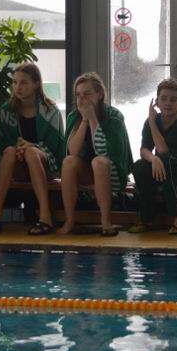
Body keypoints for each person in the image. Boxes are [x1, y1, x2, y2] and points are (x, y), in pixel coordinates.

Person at [0, 63, 66, 235]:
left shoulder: (50, 110)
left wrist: (32, 146)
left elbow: (56, 146)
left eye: (23, 83)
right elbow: (2, 143)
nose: (18, 87)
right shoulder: (6, 110)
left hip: (45, 163)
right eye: (14, 82)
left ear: (36, 84)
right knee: (9, 152)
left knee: (31, 152)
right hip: (18, 162)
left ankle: (45, 216)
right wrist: (19, 148)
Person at [60, 72, 132, 236]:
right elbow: (72, 151)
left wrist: (93, 119)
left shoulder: (114, 116)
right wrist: (84, 120)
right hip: (88, 173)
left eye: (87, 94)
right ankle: (70, 220)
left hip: (112, 172)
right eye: (78, 95)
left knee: (99, 161)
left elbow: (104, 152)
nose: (82, 99)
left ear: (99, 94)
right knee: (69, 162)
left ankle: (106, 221)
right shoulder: (74, 116)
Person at [130, 79, 177, 234]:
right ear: (157, 102)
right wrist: (153, 159)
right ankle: (147, 218)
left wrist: (152, 123)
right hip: (161, 165)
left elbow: (163, 151)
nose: (168, 103)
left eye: (173, 99)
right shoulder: (151, 121)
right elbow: (144, 150)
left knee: (166, 160)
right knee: (139, 166)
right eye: (164, 99)